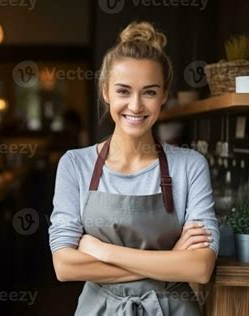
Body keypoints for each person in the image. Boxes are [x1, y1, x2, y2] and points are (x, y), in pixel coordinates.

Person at [48, 21, 219, 315]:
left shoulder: (190, 166)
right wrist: (170, 261)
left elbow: (200, 267)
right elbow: (64, 266)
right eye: (124, 91)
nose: (136, 106)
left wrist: (103, 250)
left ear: (164, 95)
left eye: (149, 92)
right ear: (106, 92)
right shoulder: (75, 165)